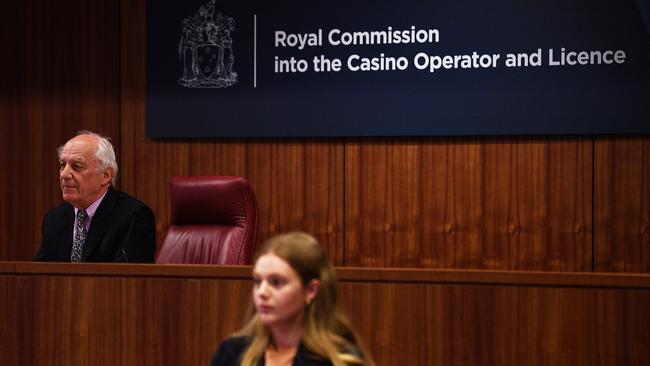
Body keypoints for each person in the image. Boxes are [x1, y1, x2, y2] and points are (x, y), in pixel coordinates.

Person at [211, 232, 374, 366]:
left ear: (310, 290)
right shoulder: (232, 352)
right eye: (258, 281)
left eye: (276, 282)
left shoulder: (340, 360)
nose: (262, 292)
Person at [34, 131, 156, 262]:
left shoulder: (134, 217)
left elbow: (129, 279)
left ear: (106, 175)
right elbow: (40, 276)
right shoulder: (55, 219)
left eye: (77, 166)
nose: (64, 174)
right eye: (63, 165)